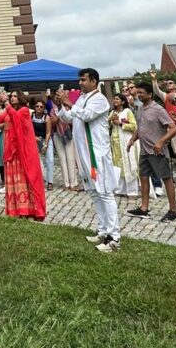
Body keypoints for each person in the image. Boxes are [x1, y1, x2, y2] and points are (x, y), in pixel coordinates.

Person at [57, 68, 119, 250]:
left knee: (105, 193)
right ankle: (103, 231)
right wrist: (61, 105)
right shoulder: (83, 98)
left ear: (94, 81)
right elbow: (69, 118)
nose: (80, 83)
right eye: (79, 80)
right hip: (83, 153)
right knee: (94, 193)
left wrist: (68, 101)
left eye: (83, 80)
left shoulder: (100, 99)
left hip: (97, 154)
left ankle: (114, 237)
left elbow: (86, 115)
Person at [126, 82, 176, 221]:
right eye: (138, 93)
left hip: (157, 151)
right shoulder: (140, 108)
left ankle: (173, 211)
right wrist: (133, 139)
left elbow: (174, 128)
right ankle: (144, 208)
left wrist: (161, 141)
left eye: (141, 93)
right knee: (143, 177)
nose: (139, 95)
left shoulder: (158, 109)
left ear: (150, 94)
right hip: (144, 150)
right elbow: (140, 127)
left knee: (166, 179)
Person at [0, 91, 47, 220]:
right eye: (11, 96)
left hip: (22, 148)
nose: (12, 98)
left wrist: (6, 102)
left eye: (14, 96)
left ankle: (29, 209)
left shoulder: (23, 110)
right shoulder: (8, 110)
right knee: (12, 177)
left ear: (20, 98)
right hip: (10, 147)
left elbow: (15, 117)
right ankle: (16, 208)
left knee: (26, 176)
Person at [109, 93, 140, 197]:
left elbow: (134, 126)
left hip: (126, 141)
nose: (115, 101)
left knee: (128, 164)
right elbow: (105, 125)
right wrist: (110, 120)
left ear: (122, 101)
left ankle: (132, 190)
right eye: (114, 99)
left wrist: (121, 124)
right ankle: (120, 189)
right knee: (118, 166)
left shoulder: (127, 112)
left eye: (117, 99)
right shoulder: (112, 112)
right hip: (116, 143)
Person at [50, 89, 79, 191]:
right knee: (62, 160)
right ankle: (66, 183)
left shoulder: (69, 107)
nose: (58, 99)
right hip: (58, 135)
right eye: (57, 97)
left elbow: (72, 121)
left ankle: (73, 183)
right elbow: (51, 123)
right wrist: (57, 117)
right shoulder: (53, 110)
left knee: (71, 159)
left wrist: (63, 115)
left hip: (68, 135)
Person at [30, 99, 53, 190]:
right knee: (35, 161)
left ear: (44, 108)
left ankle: (50, 182)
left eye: (41, 107)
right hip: (35, 140)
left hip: (46, 140)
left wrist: (46, 145)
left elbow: (48, 132)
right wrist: (35, 138)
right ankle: (37, 180)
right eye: (37, 106)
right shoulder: (31, 116)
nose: (39, 108)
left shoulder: (46, 118)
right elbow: (29, 130)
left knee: (50, 160)